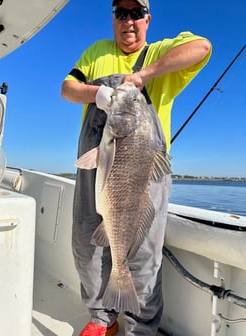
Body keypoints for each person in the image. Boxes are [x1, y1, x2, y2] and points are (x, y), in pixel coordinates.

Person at [61, 1, 211, 335]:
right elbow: (67, 89)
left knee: (144, 258)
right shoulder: (96, 52)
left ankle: (139, 329)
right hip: (96, 165)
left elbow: (202, 47)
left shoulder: (161, 51)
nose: (128, 20)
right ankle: (102, 319)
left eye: (136, 13)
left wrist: (143, 76)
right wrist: (97, 94)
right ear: (113, 18)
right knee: (87, 244)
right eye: (121, 13)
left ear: (147, 19)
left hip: (144, 173)